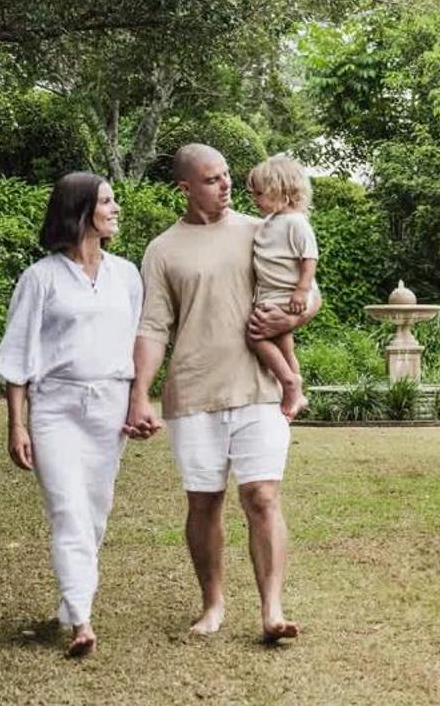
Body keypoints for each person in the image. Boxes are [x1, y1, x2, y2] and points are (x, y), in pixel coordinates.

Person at [125, 143, 317, 642]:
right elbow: (152, 326)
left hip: (259, 388)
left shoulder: (263, 229)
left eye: (228, 175)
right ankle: (212, 604)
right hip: (193, 392)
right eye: (212, 179)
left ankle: (272, 610)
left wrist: (296, 313)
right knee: (204, 502)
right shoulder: (163, 249)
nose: (227, 184)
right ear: (185, 188)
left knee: (262, 496)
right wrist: (140, 394)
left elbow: (307, 288)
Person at [0, 173, 143, 658]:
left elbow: (137, 343)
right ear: (80, 211)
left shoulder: (127, 275)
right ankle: (81, 618)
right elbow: (18, 355)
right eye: (106, 201)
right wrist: (17, 423)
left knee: (95, 511)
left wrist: (140, 402)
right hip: (55, 407)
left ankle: (69, 599)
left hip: (110, 405)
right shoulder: (40, 279)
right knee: (68, 509)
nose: (116, 208)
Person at [244, 154, 319, 420]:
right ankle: (295, 389)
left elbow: (309, 257)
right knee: (285, 346)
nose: (255, 199)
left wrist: (302, 289)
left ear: (282, 191)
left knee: (256, 336)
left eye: (260, 193)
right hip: (270, 294)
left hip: (285, 294)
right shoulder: (268, 223)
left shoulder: (296, 223)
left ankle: (288, 382)